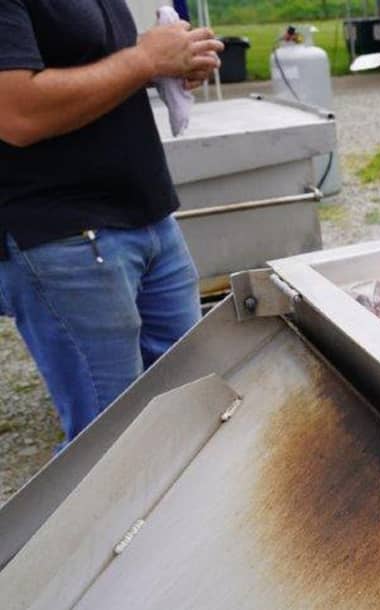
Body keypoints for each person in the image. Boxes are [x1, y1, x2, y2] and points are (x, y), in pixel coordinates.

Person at [0, 0, 222, 444]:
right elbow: (16, 113)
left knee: (193, 403)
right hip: (66, 236)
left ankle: (176, 513)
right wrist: (144, 59)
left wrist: (169, 65)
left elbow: (98, 68)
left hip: (149, 218)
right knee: (108, 443)